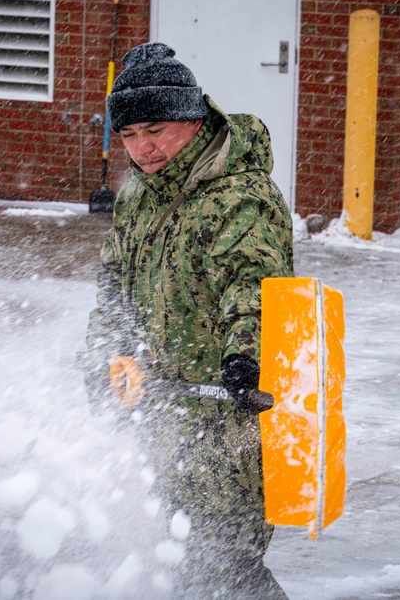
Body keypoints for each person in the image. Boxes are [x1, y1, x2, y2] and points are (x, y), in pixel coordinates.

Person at [82, 42, 293, 599]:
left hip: (231, 416)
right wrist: (104, 357)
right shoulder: (139, 199)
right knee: (186, 562)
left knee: (225, 569)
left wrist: (247, 357)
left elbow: (256, 285)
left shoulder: (239, 196)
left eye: (156, 130)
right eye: (128, 136)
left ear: (193, 118)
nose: (143, 149)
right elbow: (113, 294)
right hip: (166, 414)